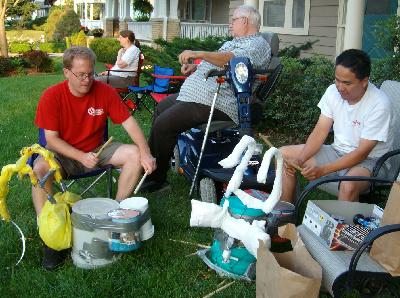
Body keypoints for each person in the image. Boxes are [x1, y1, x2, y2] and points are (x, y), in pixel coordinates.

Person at [33, 46, 156, 270]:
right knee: (39, 170)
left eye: (90, 73)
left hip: (98, 150)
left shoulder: (104, 91)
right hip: (63, 154)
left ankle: (115, 217)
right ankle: (50, 236)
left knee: (135, 154)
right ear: (66, 72)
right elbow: (51, 140)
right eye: (81, 74)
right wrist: (80, 156)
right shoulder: (52, 96)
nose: (87, 80)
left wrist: (146, 153)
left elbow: (129, 124)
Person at [139, 5, 271, 193]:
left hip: (220, 101)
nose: (230, 23)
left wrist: (198, 53)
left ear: (246, 21)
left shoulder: (257, 45)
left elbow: (230, 60)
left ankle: (155, 180)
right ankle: (154, 164)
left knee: (164, 124)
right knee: (161, 108)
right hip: (199, 95)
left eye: (233, 19)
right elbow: (221, 64)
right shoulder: (236, 41)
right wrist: (196, 67)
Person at [280, 49, 394, 203]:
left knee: (348, 186)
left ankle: (344, 226)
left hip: (371, 161)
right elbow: (320, 131)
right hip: (336, 151)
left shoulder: (379, 104)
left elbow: (362, 153)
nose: (340, 87)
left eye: (347, 83)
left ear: (364, 81)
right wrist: (300, 159)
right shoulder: (332, 92)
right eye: (337, 80)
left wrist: (323, 170)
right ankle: (286, 218)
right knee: (284, 156)